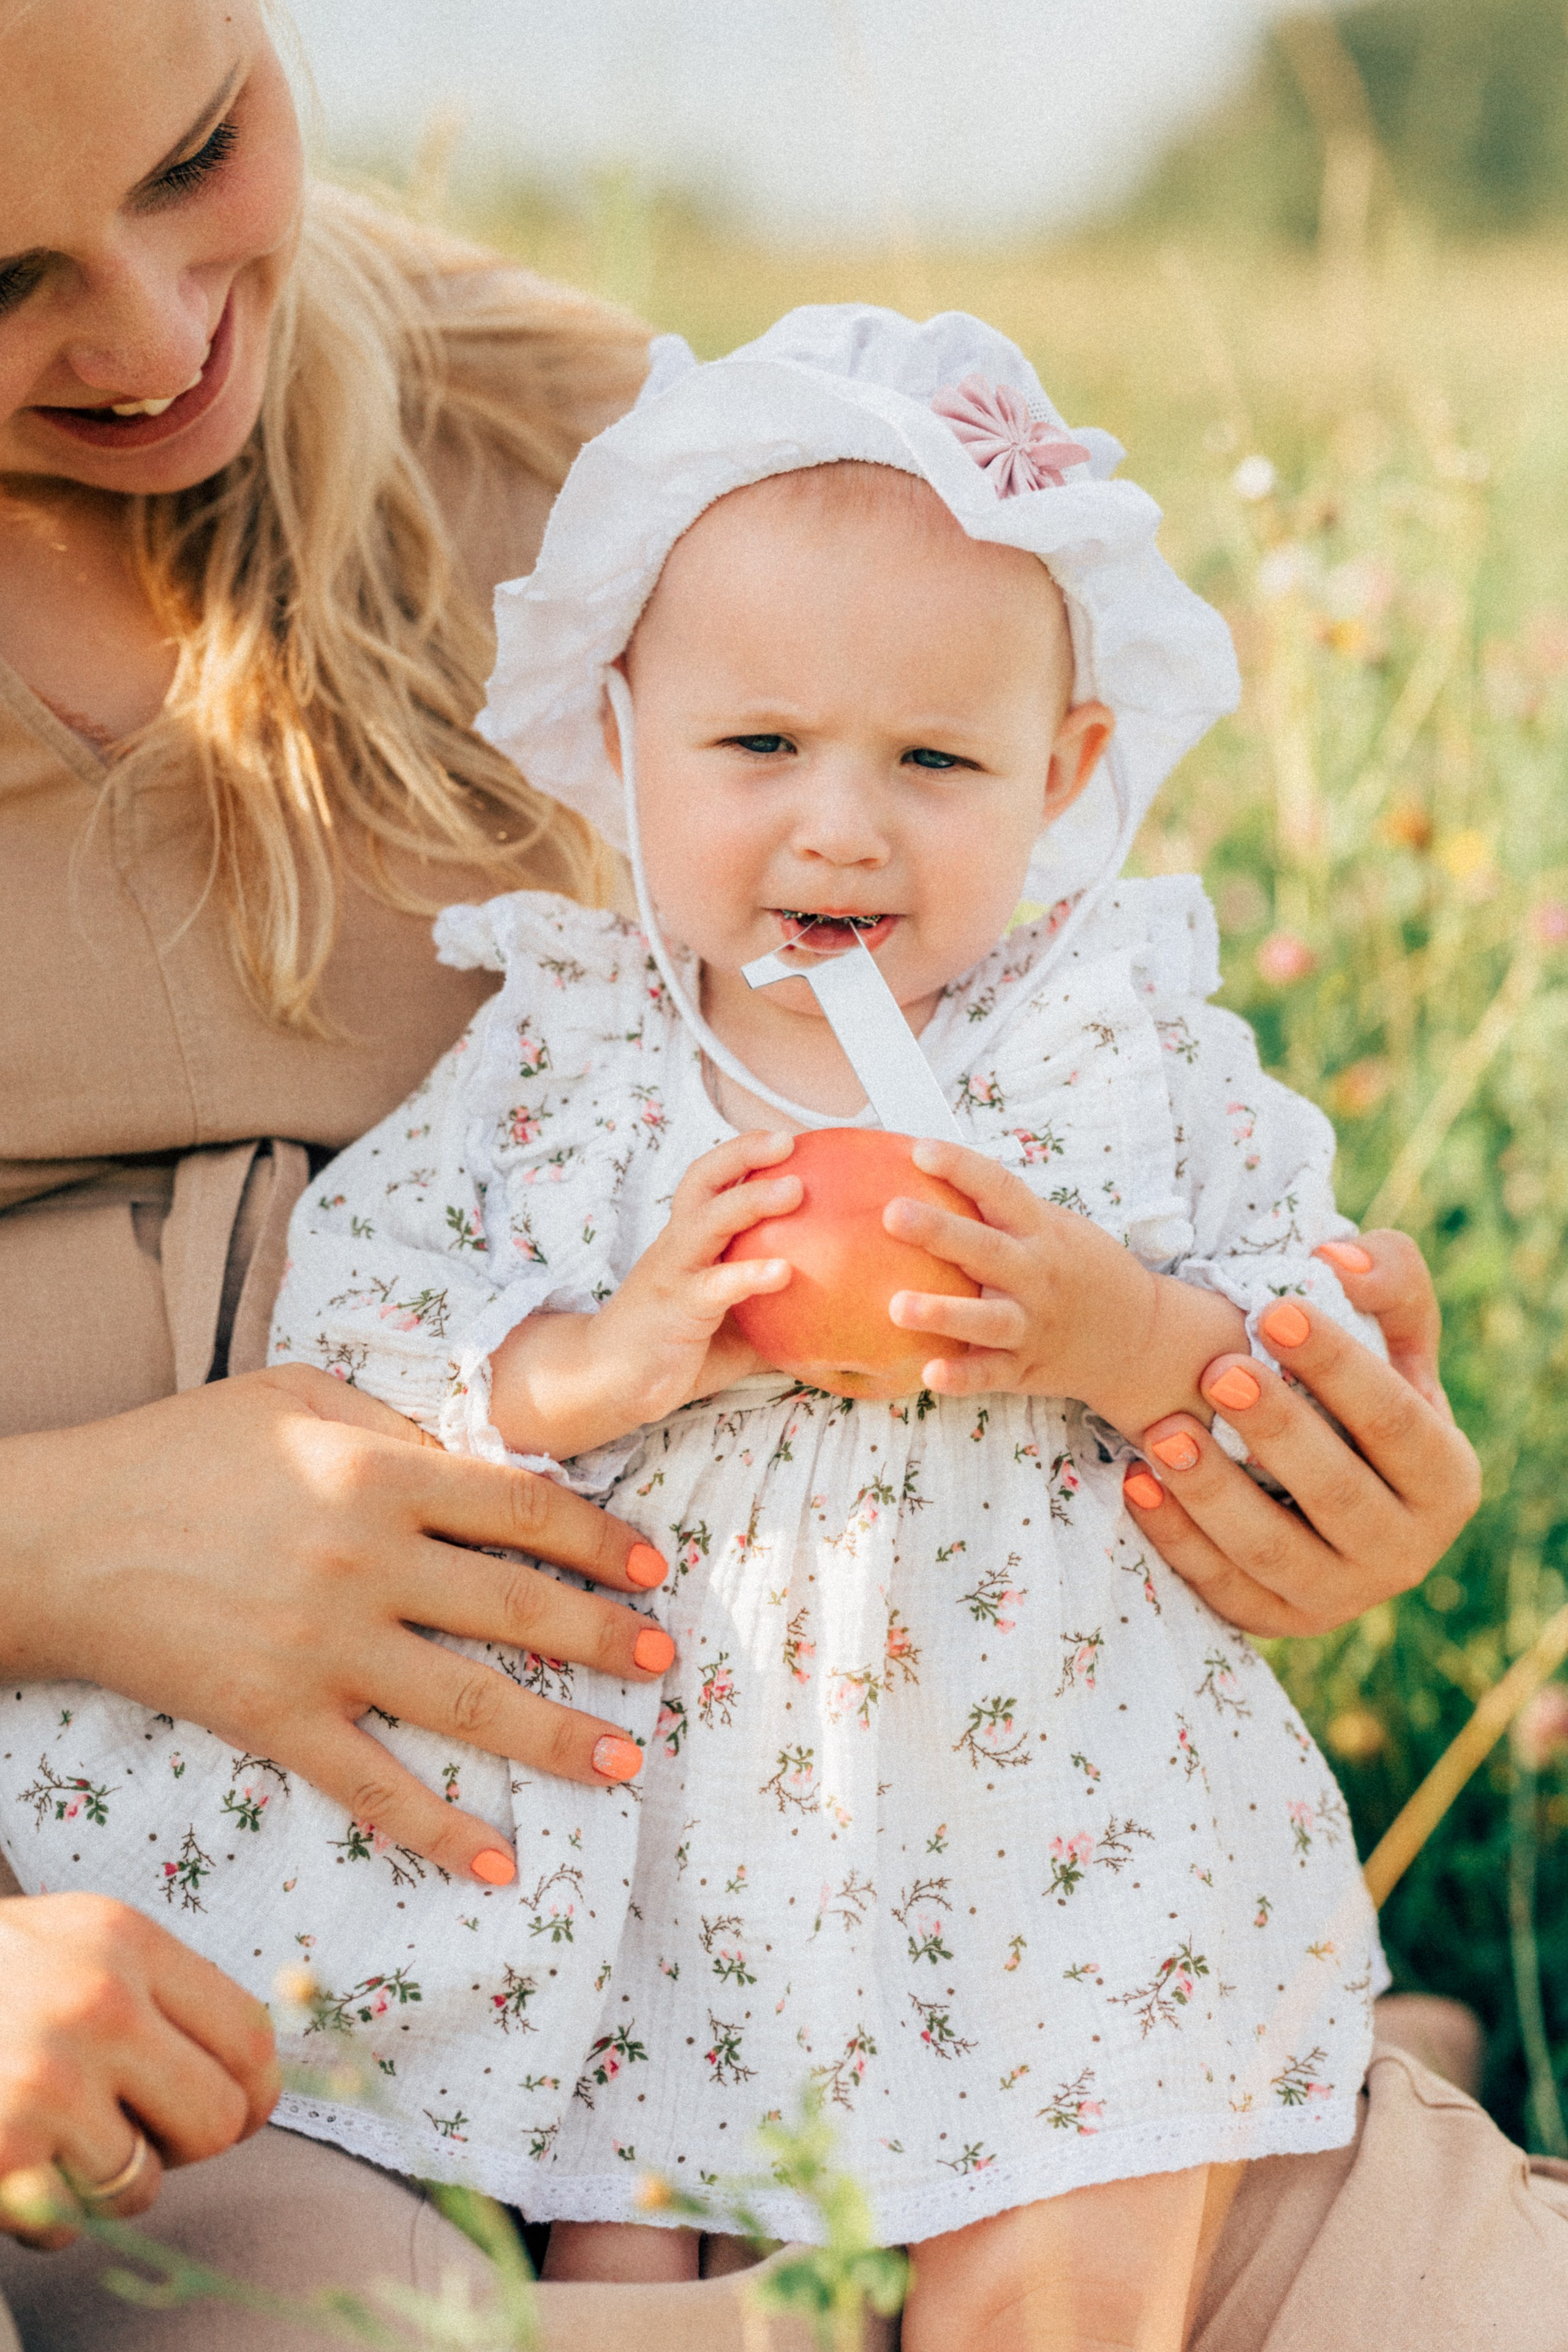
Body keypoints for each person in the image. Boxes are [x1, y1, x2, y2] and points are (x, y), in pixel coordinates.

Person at [0, 0, 1501, 2341]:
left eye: (201, 152)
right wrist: (59, 1543)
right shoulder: (591, 1006)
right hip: (326, 1894)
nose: (161, 330)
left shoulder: (642, 470)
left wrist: (1278, 1446)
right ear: (630, 738)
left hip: (989, 1852)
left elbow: (1235, 1298)